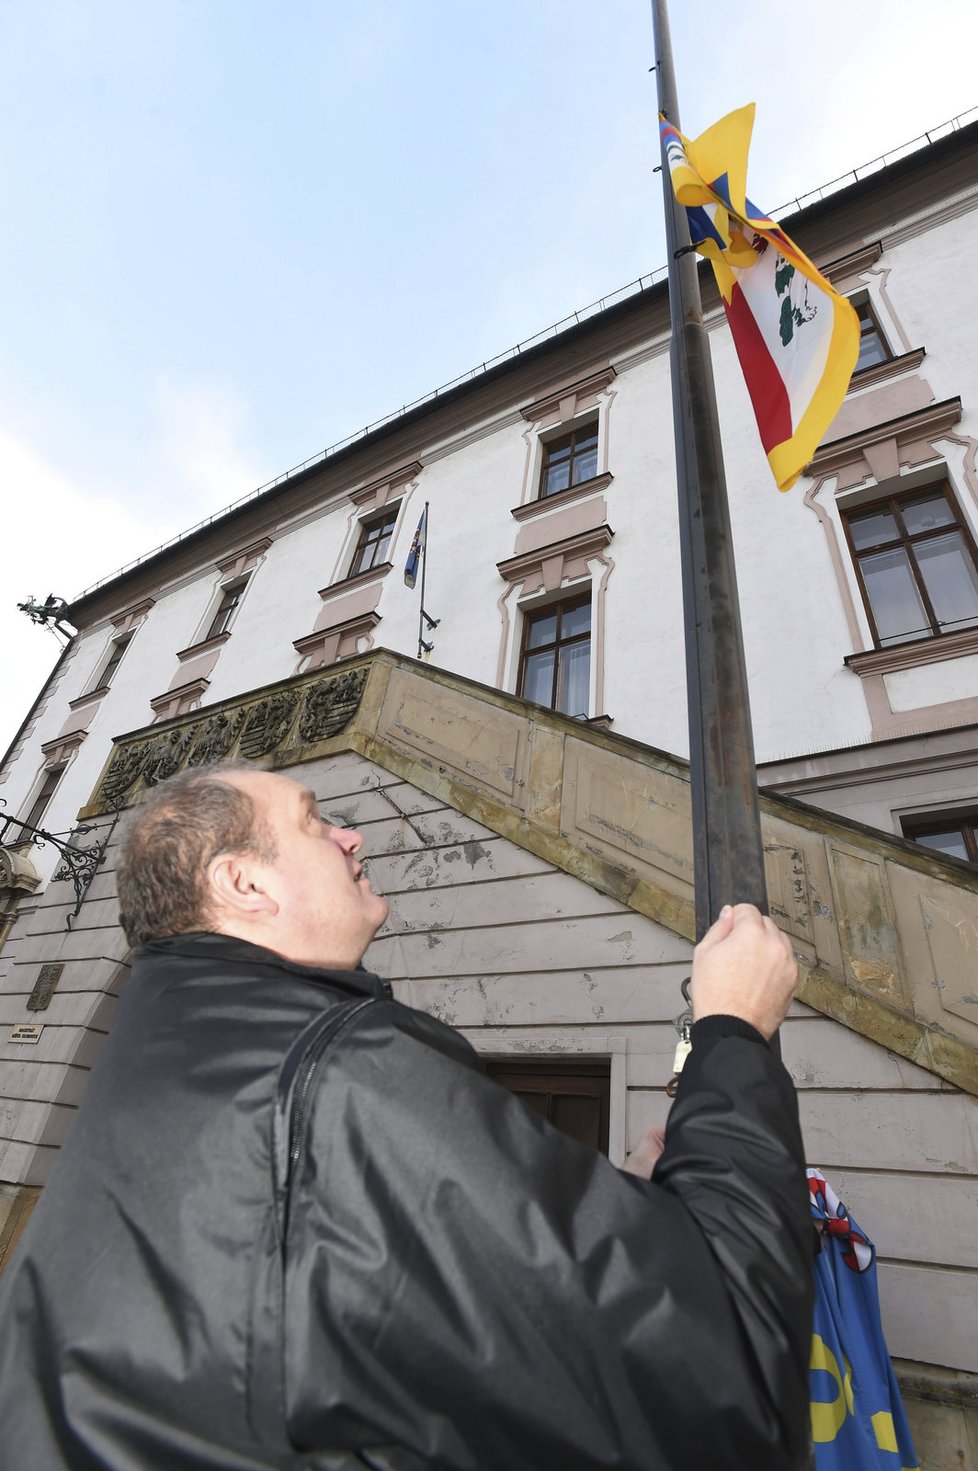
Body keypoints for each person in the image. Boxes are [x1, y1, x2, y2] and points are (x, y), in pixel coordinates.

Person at [0, 759, 813, 1470]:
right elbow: (729, 1378)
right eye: (315, 820)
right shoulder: (335, 1078)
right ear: (244, 883)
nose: (350, 836)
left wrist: (626, 1211)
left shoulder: (160, 1069)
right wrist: (735, 1030)